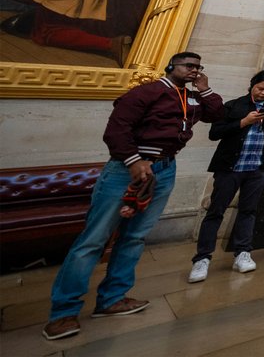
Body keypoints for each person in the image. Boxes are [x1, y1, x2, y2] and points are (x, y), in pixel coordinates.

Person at [42, 53, 222, 341]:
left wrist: (205, 87)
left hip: (164, 168)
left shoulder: (191, 98)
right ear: (171, 67)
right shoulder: (146, 92)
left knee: (135, 236)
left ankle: (113, 298)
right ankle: (63, 312)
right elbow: (116, 130)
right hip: (128, 169)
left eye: (198, 67)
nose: (193, 70)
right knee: (93, 240)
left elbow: (216, 114)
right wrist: (133, 161)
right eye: (188, 66)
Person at [189, 69, 264, 282]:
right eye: (260, 88)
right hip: (230, 167)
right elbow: (215, 133)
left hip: (258, 168)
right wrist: (243, 122)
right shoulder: (234, 105)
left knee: (249, 210)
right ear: (252, 85)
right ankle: (202, 258)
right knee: (216, 210)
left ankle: (243, 252)